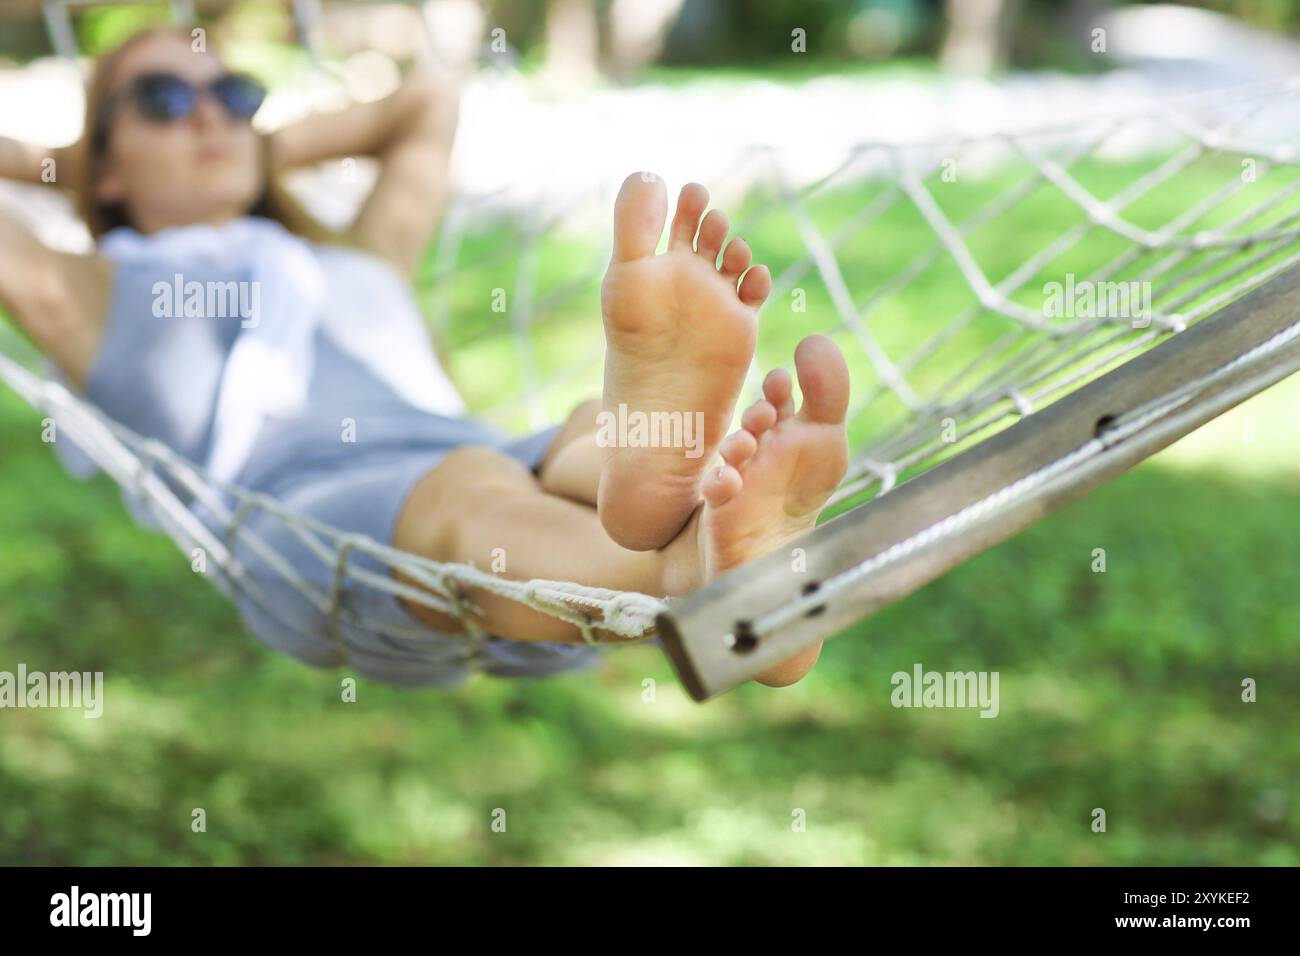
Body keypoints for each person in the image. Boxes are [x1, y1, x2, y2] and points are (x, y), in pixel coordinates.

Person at [0, 28, 850, 689]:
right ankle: (682, 569)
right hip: (305, 507)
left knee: (586, 436)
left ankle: (696, 527)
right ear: (103, 165)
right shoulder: (88, 291)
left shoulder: (356, 252)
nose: (211, 113)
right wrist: (61, 172)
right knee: (469, 494)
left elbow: (426, 102)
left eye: (231, 92)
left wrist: (248, 147)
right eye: (160, 98)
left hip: (476, 447)